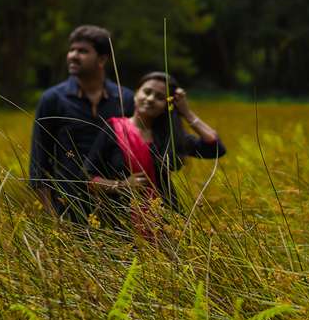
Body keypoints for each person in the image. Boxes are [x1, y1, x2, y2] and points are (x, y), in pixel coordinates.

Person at [86, 71, 226, 240]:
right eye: (147, 92)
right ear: (136, 93)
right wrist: (121, 185)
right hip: (120, 226)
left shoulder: (169, 136)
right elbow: (87, 178)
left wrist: (186, 113)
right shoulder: (113, 130)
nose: (151, 99)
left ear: (167, 104)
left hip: (166, 226)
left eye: (160, 97)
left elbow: (215, 147)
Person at [29, 25, 135, 223]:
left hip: (119, 207)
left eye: (83, 51)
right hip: (67, 207)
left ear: (102, 59)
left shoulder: (125, 99)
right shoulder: (53, 99)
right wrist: (53, 218)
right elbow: (38, 162)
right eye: (72, 50)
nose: (73, 56)